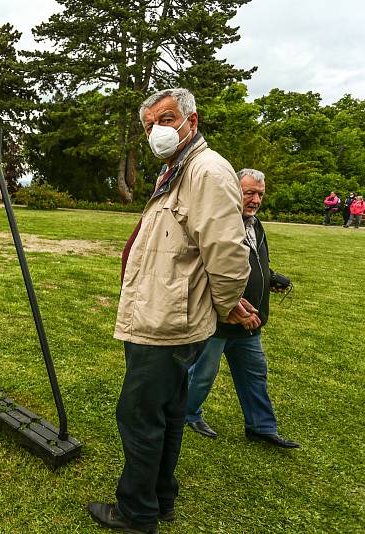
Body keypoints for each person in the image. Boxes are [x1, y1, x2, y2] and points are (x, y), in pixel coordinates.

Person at [88, 88, 251, 534]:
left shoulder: (206, 171)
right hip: (167, 316)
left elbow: (228, 254)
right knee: (168, 411)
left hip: (167, 323)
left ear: (191, 122)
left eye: (166, 118)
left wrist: (224, 306)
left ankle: (136, 513)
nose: (157, 131)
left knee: (139, 415)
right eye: (149, 126)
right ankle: (160, 500)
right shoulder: (178, 170)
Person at [185, 168, 300, 449]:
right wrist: (231, 304)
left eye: (260, 194)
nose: (255, 199)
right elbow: (207, 269)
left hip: (251, 322)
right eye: (249, 192)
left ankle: (261, 427)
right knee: (202, 375)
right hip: (220, 320)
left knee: (255, 373)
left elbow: (251, 262)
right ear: (233, 190)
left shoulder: (255, 224)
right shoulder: (220, 224)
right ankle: (186, 413)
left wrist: (270, 277)